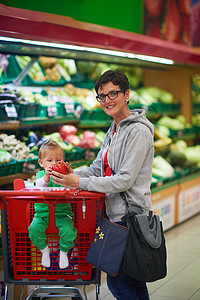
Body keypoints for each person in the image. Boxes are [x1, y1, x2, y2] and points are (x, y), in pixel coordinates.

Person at [50, 69, 154, 299]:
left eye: (113, 94)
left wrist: (78, 182)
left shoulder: (137, 131)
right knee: (133, 281)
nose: (107, 101)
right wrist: (70, 173)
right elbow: (98, 167)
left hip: (130, 217)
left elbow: (125, 180)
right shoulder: (114, 129)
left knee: (118, 284)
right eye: (102, 96)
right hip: (115, 216)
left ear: (127, 94)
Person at [28, 140, 77, 269]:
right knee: (33, 229)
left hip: (62, 213)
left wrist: (70, 174)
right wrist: (46, 176)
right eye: (49, 160)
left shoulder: (64, 176)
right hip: (42, 214)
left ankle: (64, 253)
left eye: (58, 160)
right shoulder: (40, 175)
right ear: (41, 163)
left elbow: (74, 188)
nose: (54, 164)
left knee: (68, 231)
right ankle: (45, 251)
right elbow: (39, 186)